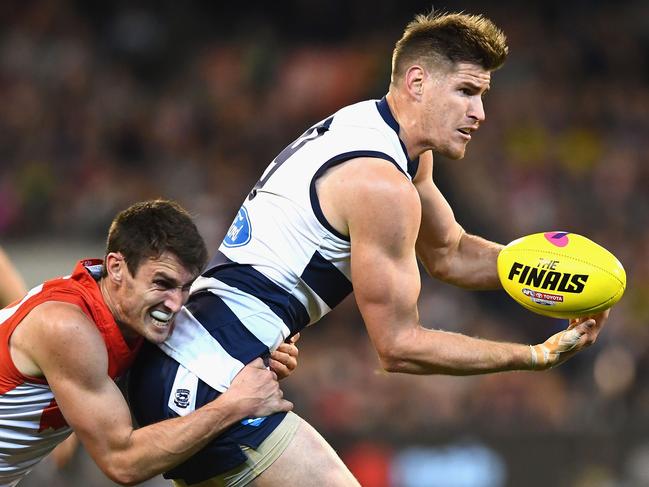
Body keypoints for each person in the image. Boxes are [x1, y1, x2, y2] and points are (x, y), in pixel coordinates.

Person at [129, 11, 610, 486]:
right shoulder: (381, 184)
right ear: (417, 82)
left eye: (482, 95)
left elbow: (450, 253)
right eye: (467, 92)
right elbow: (399, 346)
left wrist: (552, 274)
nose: (479, 113)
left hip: (197, 354)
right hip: (211, 371)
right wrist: (534, 357)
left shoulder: (381, 135)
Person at [0, 199, 298, 486]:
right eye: (163, 283)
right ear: (116, 267)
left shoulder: (127, 314)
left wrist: (258, 362)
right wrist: (235, 404)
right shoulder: (68, 328)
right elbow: (122, 462)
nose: (176, 304)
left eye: (186, 288)